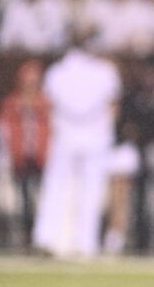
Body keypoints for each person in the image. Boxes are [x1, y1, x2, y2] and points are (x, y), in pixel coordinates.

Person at [33, 30, 121, 258]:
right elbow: (113, 105)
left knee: (55, 187)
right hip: (96, 136)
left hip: (65, 135)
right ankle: (87, 243)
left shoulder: (56, 73)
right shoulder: (106, 72)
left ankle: (46, 237)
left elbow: (47, 104)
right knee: (91, 190)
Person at [0, 60, 51, 247]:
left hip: (41, 158)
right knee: (23, 200)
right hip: (21, 158)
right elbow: (5, 130)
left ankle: (44, 235)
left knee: (43, 198)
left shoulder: (45, 103)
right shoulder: (12, 103)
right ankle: (28, 237)